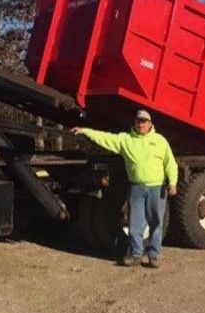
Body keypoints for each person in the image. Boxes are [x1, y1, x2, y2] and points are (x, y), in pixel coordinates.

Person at [73, 109, 178, 268]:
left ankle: (153, 255)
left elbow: (170, 163)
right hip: (136, 188)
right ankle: (136, 254)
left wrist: (173, 183)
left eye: (144, 121)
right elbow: (106, 138)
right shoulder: (126, 140)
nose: (141, 124)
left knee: (156, 222)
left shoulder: (160, 141)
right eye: (138, 121)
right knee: (135, 223)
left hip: (157, 188)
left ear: (150, 123)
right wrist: (85, 131)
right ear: (134, 123)